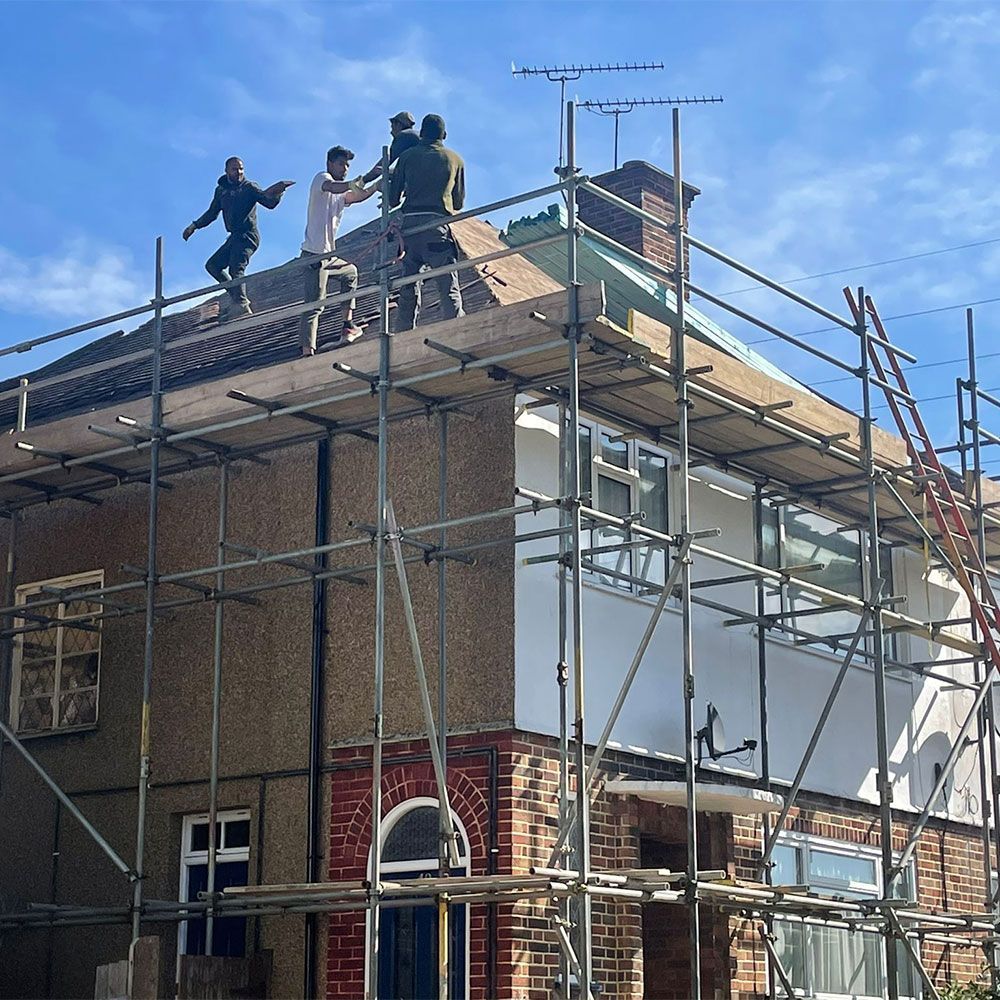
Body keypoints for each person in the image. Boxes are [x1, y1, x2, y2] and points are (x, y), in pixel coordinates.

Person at [183, 157, 294, 319]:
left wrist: (279, 192)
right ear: (227, 171)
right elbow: (212, 213)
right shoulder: (221, 191)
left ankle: (241, 305)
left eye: (241, 169)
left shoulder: (249, 187)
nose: (239, 172)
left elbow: (268, 202)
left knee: (236, 269)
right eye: (235, 169)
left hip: (248, 235)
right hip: (234, 237)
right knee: (213, 265)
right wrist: (194, 226)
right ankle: (237, 299)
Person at [388, 114, 466, 331]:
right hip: (436, 226)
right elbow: (458, 203)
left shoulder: (408, 157)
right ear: (445, 135)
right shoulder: (455, 160)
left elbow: (392, 199)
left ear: (421, 133)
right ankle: (456, 330)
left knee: (408, 284)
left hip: (410, 228)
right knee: (447, 284)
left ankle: (403, 332)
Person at [299, 145, 379, 355]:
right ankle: (307, 350)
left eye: (348, 165)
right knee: (314, 305)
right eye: (342, 164)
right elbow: (335, 187)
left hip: (329, 256)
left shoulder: (339, 193)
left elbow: (355, 196)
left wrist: (376, 185)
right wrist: (366, 177)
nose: (345, 168)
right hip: (314, 255)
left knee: (350, 272)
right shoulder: (322, 179)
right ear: (330, 164)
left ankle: (347, 325)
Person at [325, 112, 420, 194]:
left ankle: (393, 200)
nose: (391, 132)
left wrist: (363, 180)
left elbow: (386, 161)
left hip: (416, 175)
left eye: (392, 127)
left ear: (398, 125)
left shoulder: (404, 136)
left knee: (381, 170)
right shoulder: (416, 136)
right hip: (424, 175)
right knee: (391, 172)